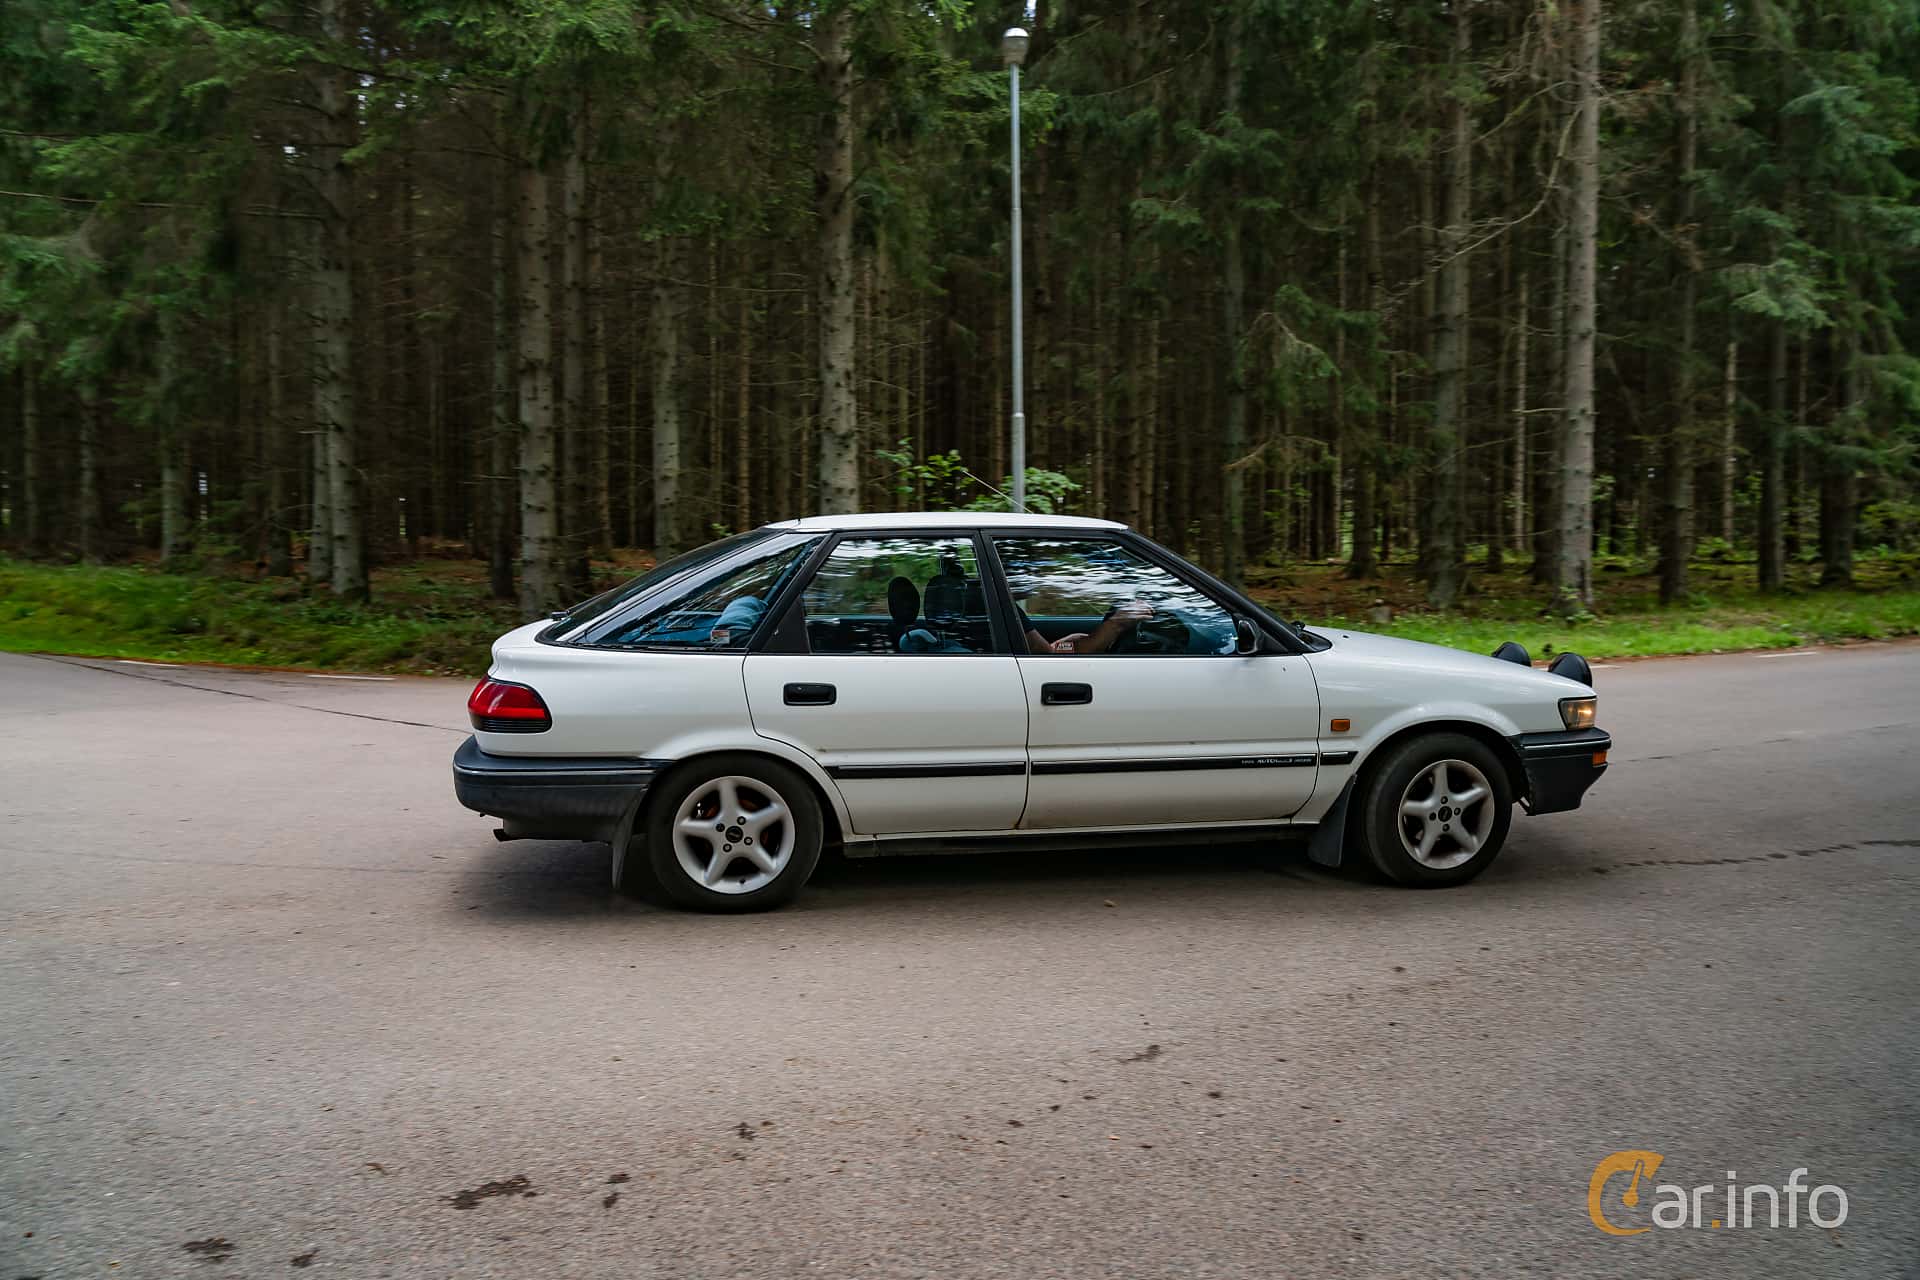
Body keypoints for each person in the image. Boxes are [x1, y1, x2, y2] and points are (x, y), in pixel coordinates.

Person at [1018, 599, 1152, 654]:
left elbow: (1049, 650)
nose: (1034, 572)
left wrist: (1066, 644)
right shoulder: (1001, 608)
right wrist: (1116, 623)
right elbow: (1046, 655)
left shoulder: (1005, 609)